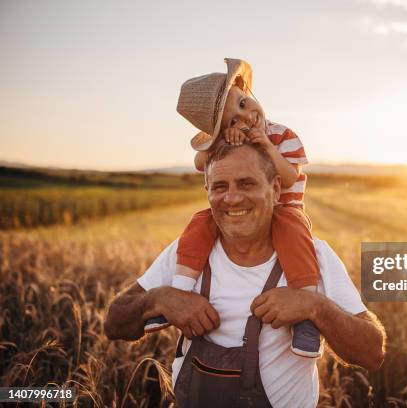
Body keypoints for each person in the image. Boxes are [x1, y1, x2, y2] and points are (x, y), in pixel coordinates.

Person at [104, 142, 386, 407]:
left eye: (246, 183)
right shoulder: (185, 255)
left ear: (276, 189)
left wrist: (315, 306)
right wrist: (159, 299)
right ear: (207, 191)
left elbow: (372, 352)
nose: (232, 197)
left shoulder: (315, 257)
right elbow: (114, 324)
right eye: (219, 186)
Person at [144, 58, 321, 358]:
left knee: (296, 241)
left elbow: (289, 176)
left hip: (284, 212)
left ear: (245, 88)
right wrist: (219, 141)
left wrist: (264, 145)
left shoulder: (283, 136)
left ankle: (306, 317)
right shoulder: (229, 141)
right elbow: (201, 163)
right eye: (232, 121)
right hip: (243, 215)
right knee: (199, 225)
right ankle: (180, 292)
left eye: (242, 103)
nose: (245, 118)